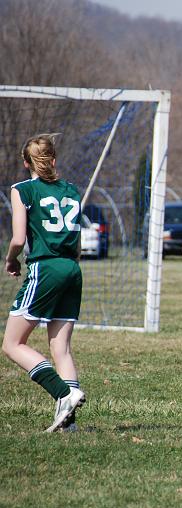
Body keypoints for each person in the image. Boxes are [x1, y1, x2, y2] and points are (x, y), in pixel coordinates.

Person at [2, 134, 85, 432]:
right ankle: (69, 425)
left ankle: (64, 394)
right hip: (72, 269)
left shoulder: (21, 189)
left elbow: (19, 239)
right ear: (53, 160)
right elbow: (76, 239)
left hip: (46, 268)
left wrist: (11, 260)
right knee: (60, 346)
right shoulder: (73, 191)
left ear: (26, 163)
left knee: (12, 344)